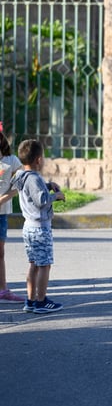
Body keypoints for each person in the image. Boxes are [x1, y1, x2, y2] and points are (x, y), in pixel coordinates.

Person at [10, 139, 66, 314]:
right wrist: (56, 196)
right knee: (44, 265)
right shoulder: (34, 178)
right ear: (39, 160)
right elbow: (41, 200)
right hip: (40, 228)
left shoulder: (21, 175)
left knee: (34, 264)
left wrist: (48, 186)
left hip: (28, 227)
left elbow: (30, 192)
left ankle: (30, 300)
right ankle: (41, 302)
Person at [0, 129, 25, 303]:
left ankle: (3, 290)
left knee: (0, 253)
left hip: (2, 213)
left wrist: (5, 198)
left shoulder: (11, 161)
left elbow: (21, 181)